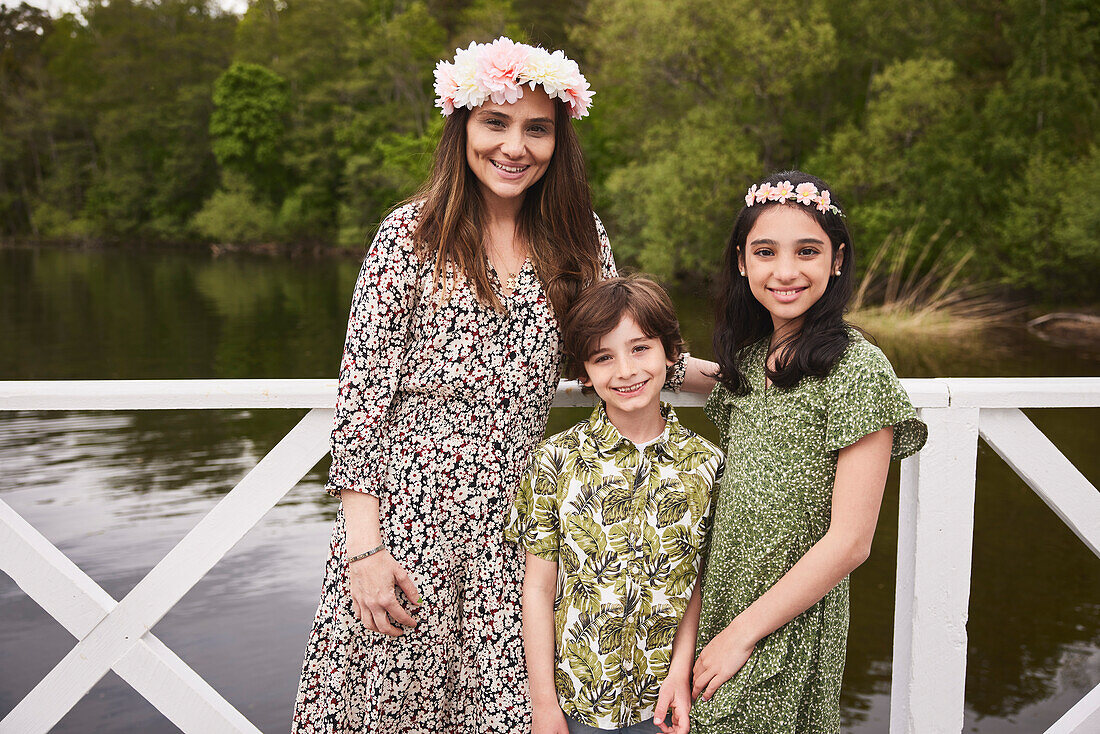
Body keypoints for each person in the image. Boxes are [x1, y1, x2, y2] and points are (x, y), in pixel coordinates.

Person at [292, 38, 715, 734]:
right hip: (407, 527)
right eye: (496, 122)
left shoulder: (577, 239)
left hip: (517, 527)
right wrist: (364, 551)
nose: (515, 145)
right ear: (464, 128)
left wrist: (737, 377)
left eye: (537, 128)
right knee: (389, 713)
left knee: (501, 715)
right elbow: (361, 403)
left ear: (559, 139)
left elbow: (621, 349)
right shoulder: (410, 234)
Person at [690, 172, 929, 733]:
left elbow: (850, 543)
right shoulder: (752, 362)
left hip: (785, 622)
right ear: (742, 263)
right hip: (724, 600)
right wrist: (638, 365)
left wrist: (738, 637)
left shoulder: (856, 370)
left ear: (837, 260)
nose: (786, 271)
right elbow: (715, 377)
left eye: (808, 251)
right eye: (765, 252)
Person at [506, 276, 724, 734]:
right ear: (585, 373)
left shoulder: (706, 464)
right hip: (578, 702)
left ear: (670, 354)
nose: (625, 371)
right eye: (604, 357)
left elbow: (695, 586)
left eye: (640, 348)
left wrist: (681, 677)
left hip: (664, 702)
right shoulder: (556, 460)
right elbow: (539, 589)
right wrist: (543, 705)